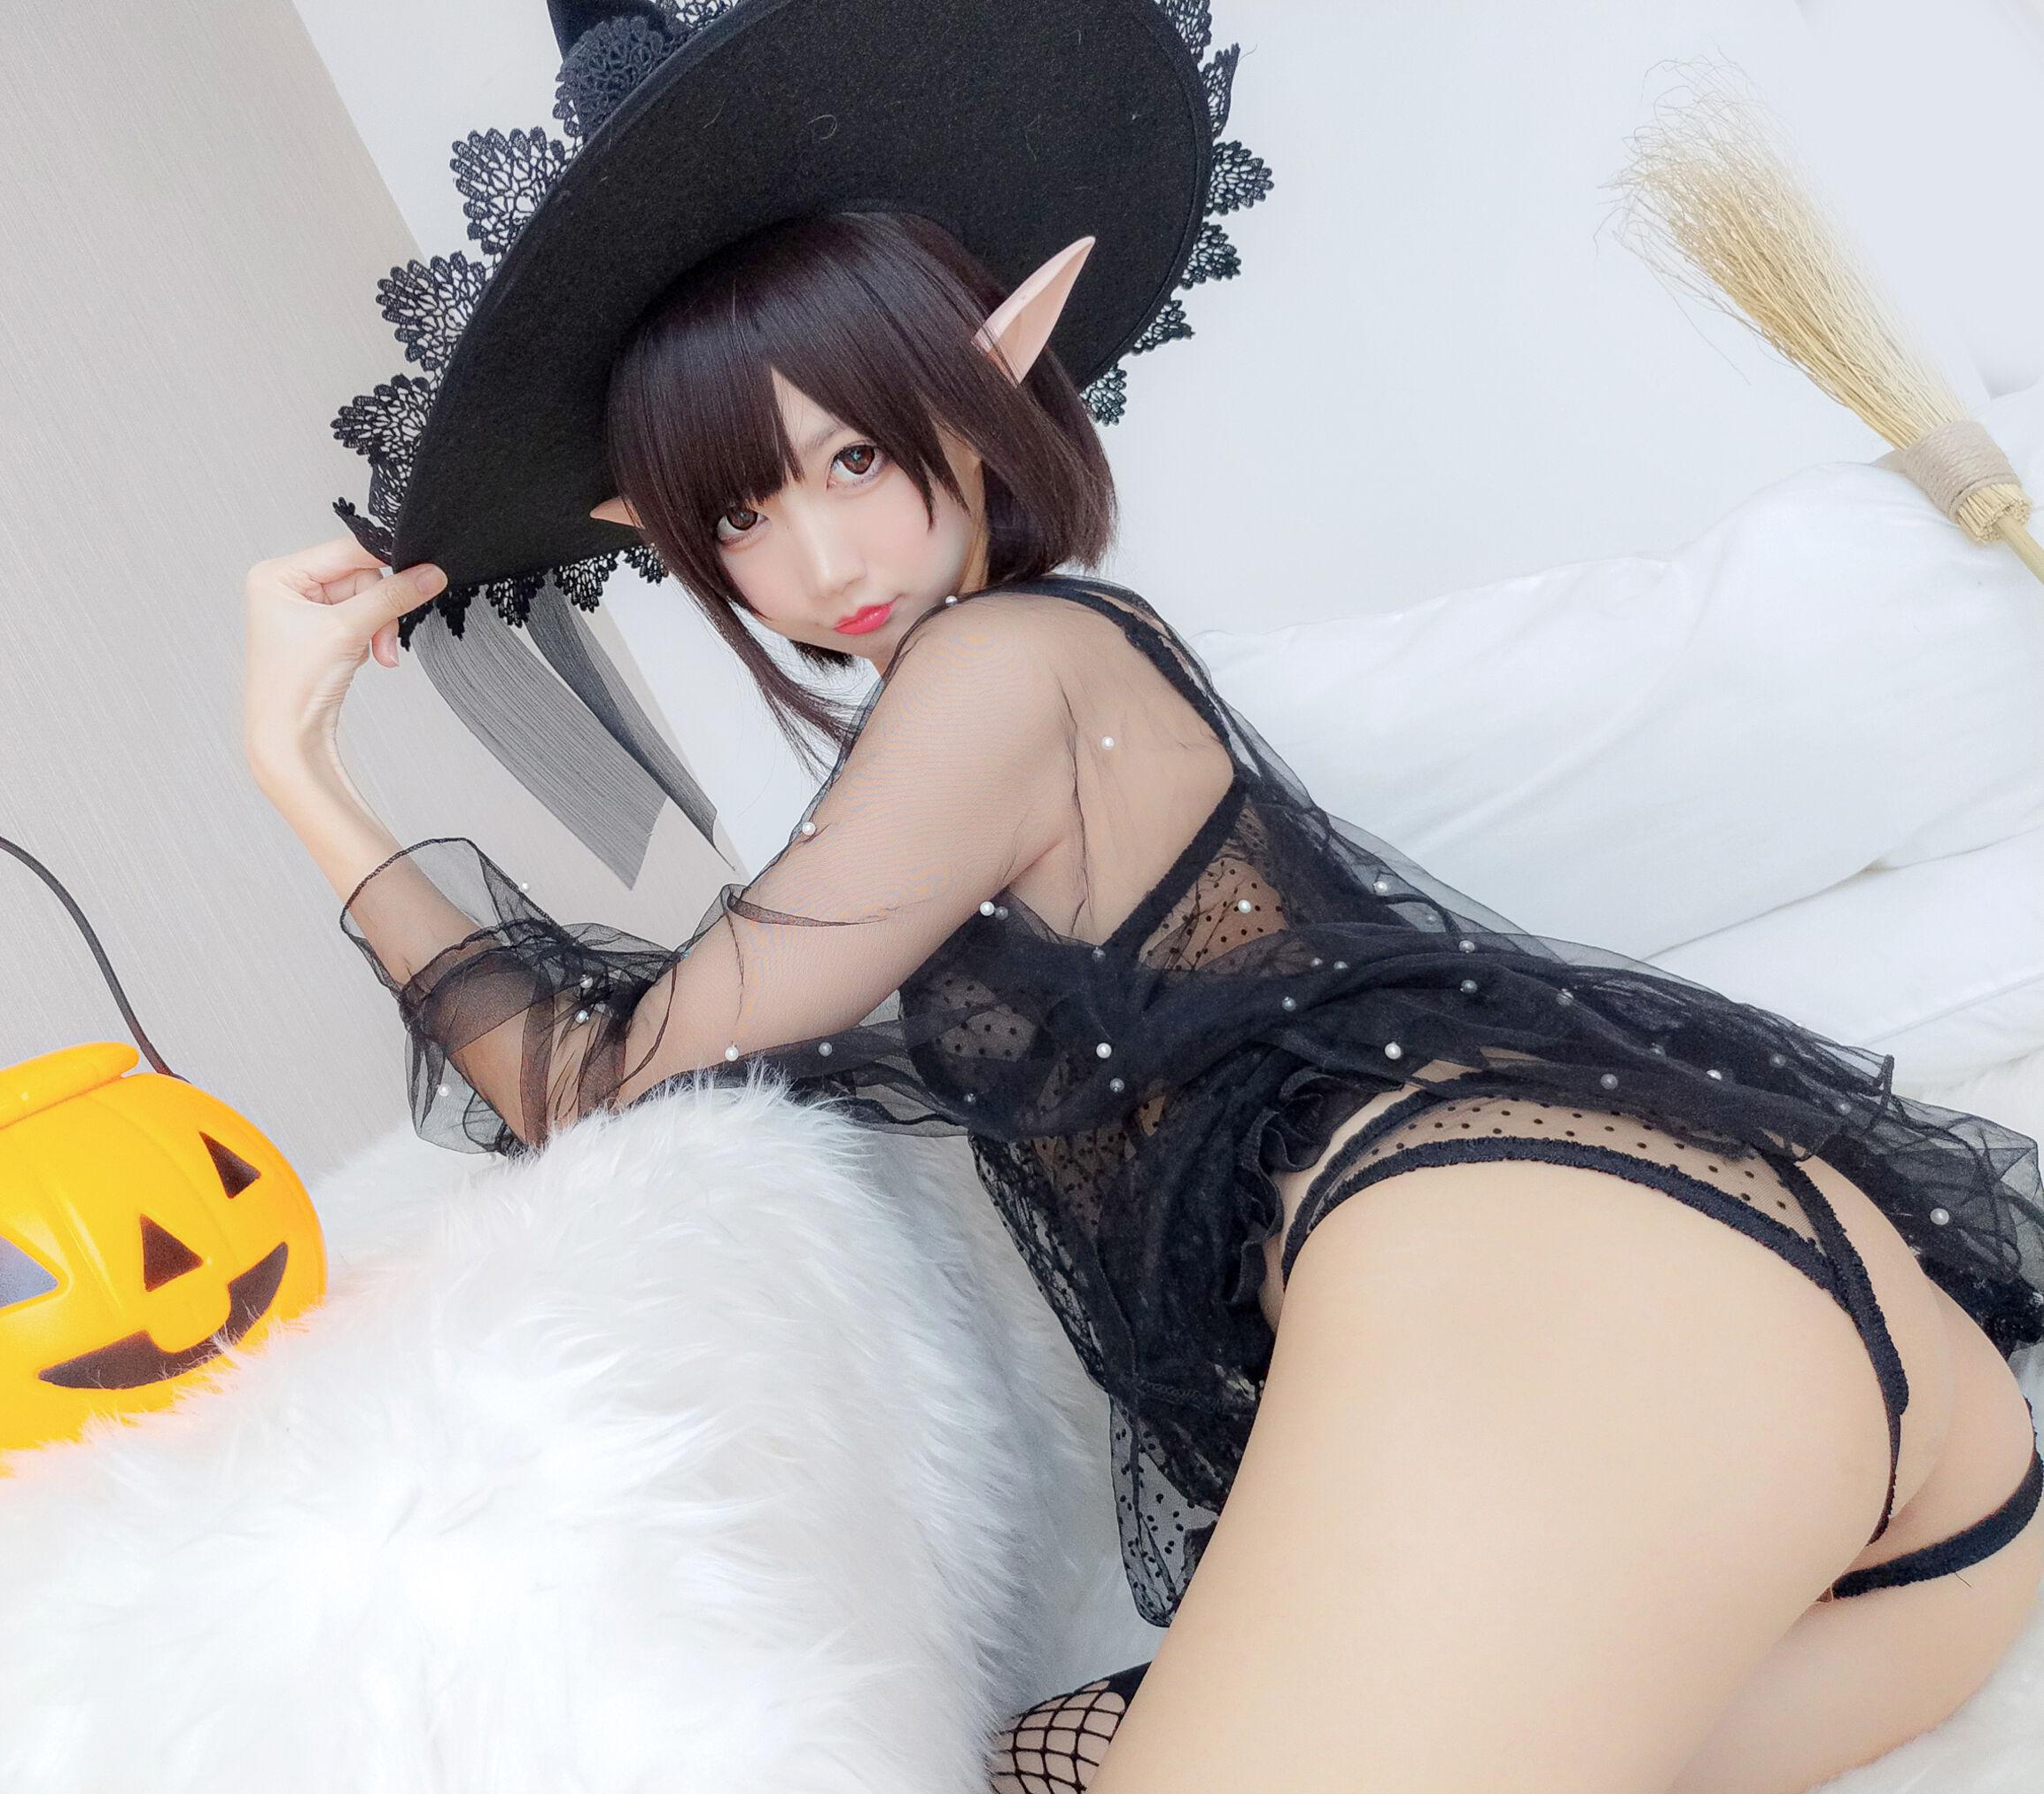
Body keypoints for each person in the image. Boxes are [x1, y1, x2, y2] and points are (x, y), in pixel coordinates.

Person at [245, 3, 2044, 1785]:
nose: (820, 556)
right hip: (1870, 1483)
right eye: (739, 517)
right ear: (662, 537)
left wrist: (300, 774)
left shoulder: (996, 675)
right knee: (1038, 1761)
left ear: (989, 377)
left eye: (854, 456)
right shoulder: (1036, 684)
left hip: (1569, 1281)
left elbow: (594, 1075)